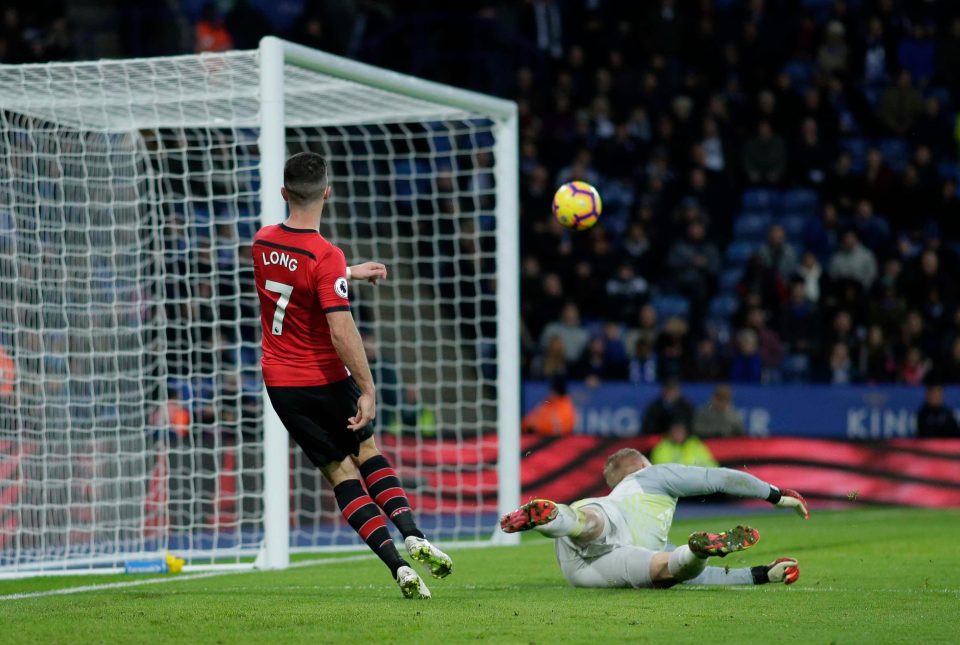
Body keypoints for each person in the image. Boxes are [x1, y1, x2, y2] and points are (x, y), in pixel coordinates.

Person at [253, 152, 450, 599]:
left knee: (339, 474)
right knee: (365, 449)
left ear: (283, 193)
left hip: (282, 385)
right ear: (328, 191)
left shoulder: (263, 242)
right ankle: (412, 532)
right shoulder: (325, 254)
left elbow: (296, 277)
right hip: (323, 374)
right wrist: (368, 387)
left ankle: (398, 566)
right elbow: (341, 328)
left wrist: (348, 273)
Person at [500, 448, 807, 589]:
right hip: (610, 547)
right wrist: (776, 495)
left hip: (577, 570)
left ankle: (551, 517)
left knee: (595, 525)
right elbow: (722, 478)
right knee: (669, 568)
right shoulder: (652, 474)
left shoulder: (615, 494)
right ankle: (695, 552)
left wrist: (762, 574)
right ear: (642, 464)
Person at [651, 422, 719, 467]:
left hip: (700, 483)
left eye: (681, 430)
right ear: (670, 433)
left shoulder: (695, 444)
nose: (678, 434)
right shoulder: (661, 448)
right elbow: (663, 472)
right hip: (675, 486)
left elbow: (710, 464)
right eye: (675, 431)